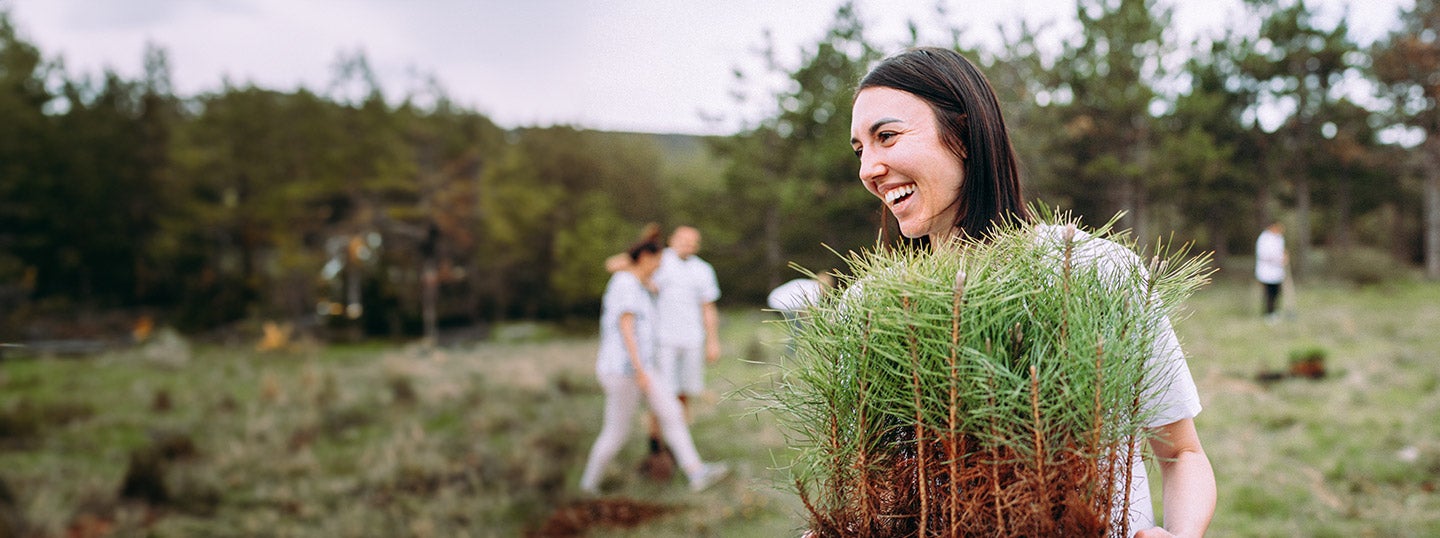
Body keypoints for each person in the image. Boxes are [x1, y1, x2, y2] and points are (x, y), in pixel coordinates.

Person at [847, 47, 1215, 537]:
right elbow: (883, 488)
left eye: (886, 137)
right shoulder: (872, 309)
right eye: (859, 150)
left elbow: (1182, 453)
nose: (868, 168)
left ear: (963, 136)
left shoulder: (1092, 272)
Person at [579, 233, 728, 494]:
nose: (660, 266)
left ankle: (697, 473)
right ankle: (588, 484)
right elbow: (626, 329)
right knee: (616, 431)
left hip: (644, 369)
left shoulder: (640, 284)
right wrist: (640, 371)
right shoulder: (624, 283)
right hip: (624, 371)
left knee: (671, 413)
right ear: (646, 258)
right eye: (657, 260)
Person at [767, 273, 835, 356]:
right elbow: (810, 310)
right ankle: (790, 352)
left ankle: (791, 351)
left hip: (778, 300)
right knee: (797, 329)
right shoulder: (814, 289)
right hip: (784, 304)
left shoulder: (808, 284)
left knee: (796, 328)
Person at [1255, 222, 1287, 322]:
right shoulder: (1264, 238)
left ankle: (1274, 311)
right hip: (1267, 271)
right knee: (1269, 293)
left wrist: (1284, 257)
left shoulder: (1279, 238)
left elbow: (1280, 251)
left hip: (1277, 272)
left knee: (1276, 292)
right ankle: (1268, 313)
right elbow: (1264, 254)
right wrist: (1279, 259)